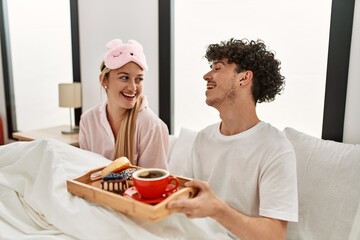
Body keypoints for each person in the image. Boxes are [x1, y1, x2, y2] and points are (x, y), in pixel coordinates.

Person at [167, 38, 298, 239]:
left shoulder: (276, 148)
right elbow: (187, 195)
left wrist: (218, 210)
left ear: (244, 78)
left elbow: (275, 235)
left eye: (217, 69)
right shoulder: (203, 138)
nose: (206, 76)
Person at [79, 39, 169, 169]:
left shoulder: (151, 126)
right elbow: (86, 173)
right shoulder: (88, 120)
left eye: (138, 79)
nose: (133, 88)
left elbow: (152, 183)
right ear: (104, 80)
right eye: (124, 78)